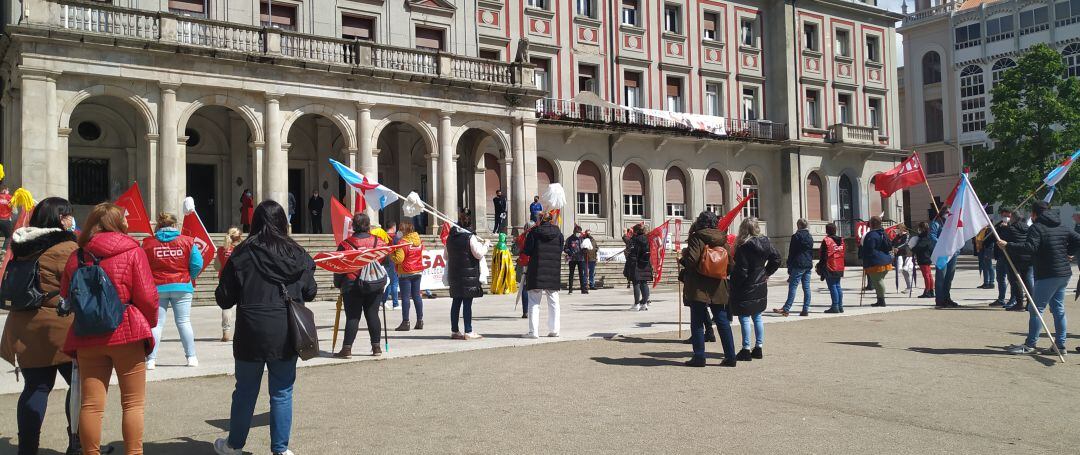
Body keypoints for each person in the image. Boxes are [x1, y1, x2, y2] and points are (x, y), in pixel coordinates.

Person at [213, 200, 316, 455]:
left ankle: (234, 445)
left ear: (255, 222)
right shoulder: (297, 253)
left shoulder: (242, 253)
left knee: (245, 390)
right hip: (286, 328)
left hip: (251, 328)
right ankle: (280, 449)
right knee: (282, 391)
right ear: (283, 222)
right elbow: (310, 291)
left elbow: (224, 298)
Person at [59, 203, 158, 455]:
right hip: (126, 329)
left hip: (88, 333)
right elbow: (147, 296)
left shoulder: (77, 255)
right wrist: (148, 321)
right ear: (119, 223)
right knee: (133, 404)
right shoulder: (133, 250)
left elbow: (65, 295)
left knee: (91, 405)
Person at [1, 197, 80, 454]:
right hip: (61, 327)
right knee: (79, 386)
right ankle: (77, 442)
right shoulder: (67, 247)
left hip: (24, 326)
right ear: (60, 218)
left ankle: (27, 448)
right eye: (68, 214)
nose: (71, 219)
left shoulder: (21, 244)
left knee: (35, 388)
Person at [1001, 201, 1080, 355]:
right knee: (1058, 309)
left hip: (1047, 273)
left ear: (1034, 214)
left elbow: (1030, 248)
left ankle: (1030, 344)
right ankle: (1060, 345)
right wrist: (1069, 253)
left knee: (1036, 309)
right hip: (1063, 273)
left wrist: (1008, 245)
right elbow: (1078, 239)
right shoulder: (1061, 225)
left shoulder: (1036, 227)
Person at [142, 212, 203, 370]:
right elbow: (197, 263)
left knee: (156, 325)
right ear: (175, 225)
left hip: (157, 287)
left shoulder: (148, 243)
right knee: (184, 322)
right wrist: (190, 276)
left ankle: (151, 359)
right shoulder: (188, 242)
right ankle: (192, 357)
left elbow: (142, 265)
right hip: (182, 286)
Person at [679, 211, 737, 368]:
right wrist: (718, 272)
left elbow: (691, 261)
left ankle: (699, 357)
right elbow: (731, 265)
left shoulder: (696, 236)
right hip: (718, 285)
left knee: (697, 321)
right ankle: (731, 356)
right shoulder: (722, 238)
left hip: (699, 286)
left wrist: (683, 257)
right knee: (722, 321)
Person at [332, 213, 388, 358]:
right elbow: (385, 262)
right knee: (373, 315)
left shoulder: (345, 244)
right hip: (374, 283)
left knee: (353, 317)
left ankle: (347, 349)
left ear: (353, 226)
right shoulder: (379, 242)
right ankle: (376, 348)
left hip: (352, 283)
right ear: (368, 225)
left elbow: (339, 267)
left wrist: (338, 283)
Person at [729, 217, 780, 361]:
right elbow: (776, 259)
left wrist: (733, 284)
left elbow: (742, 270)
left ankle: (745, 348)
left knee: (744, 317)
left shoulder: (743, 246)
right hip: (759, 282)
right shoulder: (766, 241)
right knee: (757, 316)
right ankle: (759, 347)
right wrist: (766, 272)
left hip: (746, 284)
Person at [522, 212, 564, 338]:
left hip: (536, 270)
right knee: (554, 301)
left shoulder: (534, 232)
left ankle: (533, 331)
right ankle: (554, 329)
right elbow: (560, 249)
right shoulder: (558, 233)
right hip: (553, 270)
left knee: (534, 301)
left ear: (540, 219)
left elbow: (527, 250)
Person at [446, 225, 489, 340]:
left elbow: (446, 256)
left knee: (456, 302)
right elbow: (478, 253)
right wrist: (486, 245)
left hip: (454, 273)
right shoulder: (470, 237)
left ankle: (455, 330)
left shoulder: (449, 238)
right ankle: (468, 330)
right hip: (468, 274)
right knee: (467, 303)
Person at [390, 221, 426, 331]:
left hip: (405, 272)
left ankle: (406, 322)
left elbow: (399, 259)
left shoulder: (402, 242)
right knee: (417, 296)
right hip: (417, 271)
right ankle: (420, 321)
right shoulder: (418, 240)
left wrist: (392, 252)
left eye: (400, 230)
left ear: (404, 230)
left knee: (405, 297)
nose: (398, 232)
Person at [776, 218, 813, 317]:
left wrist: (789, 266)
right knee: (806, 287)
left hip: (798, 264)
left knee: (793, 286)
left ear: (799, 226)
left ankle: (786, 308)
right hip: (808, 264)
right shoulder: (810, 237)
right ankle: (805, 309)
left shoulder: (796, 236)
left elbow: (792, 252)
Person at [1003, 209, 1033, 312]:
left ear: (1013, 218)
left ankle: (1019, 303)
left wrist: (1002, 228)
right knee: (1028, 280)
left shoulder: (1010, 229)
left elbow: (1003, 241)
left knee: (1015, 281)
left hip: (1015, 257)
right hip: (1028, 257)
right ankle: (1030, 303)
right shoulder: (1028, 228)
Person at [859, 216, 893, 308]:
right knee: (877, 281)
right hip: (885, 260)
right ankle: (879, 299)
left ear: (872, 224)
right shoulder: (883, 233)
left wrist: (864, 258)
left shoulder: (871, 235)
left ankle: (881, 300)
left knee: (878, 281)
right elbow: (889, 246)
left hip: (876, 261)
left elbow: (869, 249)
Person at [217, 227, 244, 342]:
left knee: (226, 306)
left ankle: (226, 332)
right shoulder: (242, 249)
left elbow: (216, 266)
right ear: (239, 237)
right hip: (241, 279)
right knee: (242, 305)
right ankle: (243, 331)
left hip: (225, 280)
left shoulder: (221, 250)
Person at [931, 206, 959, 307]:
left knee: (949, 277)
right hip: (942, 253)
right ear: (942, 212)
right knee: (941, 277)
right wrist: (942, 244)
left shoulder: (953, 224)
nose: (949, 214)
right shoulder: (936, 223)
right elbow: (932, 236)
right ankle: (940, 299)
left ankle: (947, 298)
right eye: (947, 212)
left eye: (950, 212)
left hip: (952, 253)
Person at [818, 222, 846, 313]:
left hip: (830, 265)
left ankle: (835, 306)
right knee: (838, 285)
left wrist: (820, 267)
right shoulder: (841, 240)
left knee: (832, 286)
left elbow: (823, 256)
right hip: (839, 265)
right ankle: (840, 306)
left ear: (827, 230)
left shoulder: (827, 240)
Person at [626, 224, 653, 311]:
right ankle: (644, 303)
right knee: (644, 283)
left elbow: (633, 253)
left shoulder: (636, 240)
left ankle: (637, 304)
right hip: (645, 264)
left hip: (637, 264)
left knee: (636, 284)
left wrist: (629, 257)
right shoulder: (647, 239)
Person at [989, 208, 1012, 306]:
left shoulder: (1013, 225)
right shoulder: (998, 225)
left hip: (1010, 256)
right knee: (1000, 278)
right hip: (1000, 256)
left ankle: (1013, 298)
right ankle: (1001, 298)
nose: (1006, 217)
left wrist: (1006, 228)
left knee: (1012, 279)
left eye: (1008, 216)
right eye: (1005, 215)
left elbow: (1011, 237)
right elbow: (994, 237)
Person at [910, 221, 936, 299]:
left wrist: (913, 249)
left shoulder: (924, 238)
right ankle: (931, 290)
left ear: (922, 228)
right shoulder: (924, 236)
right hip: (926, 257)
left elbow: (920, 247)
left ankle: (927, 291)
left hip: (924, 258)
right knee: (929, 275)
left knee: (926, 275)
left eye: (919, 228)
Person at [515, 222, 533, 318]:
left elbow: (515, 251)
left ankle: (525, 311)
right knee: (531, 288)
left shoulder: (521, 237)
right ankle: (530, 310)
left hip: (522, 263)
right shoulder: (534, 236)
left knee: (524, 287)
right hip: (532, 263)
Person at [564, 225, 588, 294]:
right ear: (574, 232)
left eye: (579, 232)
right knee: (571, 274)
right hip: (572, 259)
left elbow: (584, 247)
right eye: (577, 232)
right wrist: (569, 252)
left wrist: (585, 250)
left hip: (580, 258)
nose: (578, 233)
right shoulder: (569, 239)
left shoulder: (582, 238)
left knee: (581, 274)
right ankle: (570, 289)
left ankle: (583, 289)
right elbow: (565, 248)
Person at [891, 224, 914, 294]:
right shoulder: (898, 236)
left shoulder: (906, 235)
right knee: (903, 271)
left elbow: (905, 243)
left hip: (907, 254)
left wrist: (897, 248)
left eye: (897, 229)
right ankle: (909, 287)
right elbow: (892, 243)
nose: (896, 230)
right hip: (900, 255)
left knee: (905, 270)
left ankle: (910, 287)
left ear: (902, 229)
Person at [975, 225, 996, 289]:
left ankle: (991, 283)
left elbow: (990, 242)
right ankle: (986, 282)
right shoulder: (980, 230)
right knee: (984, 267)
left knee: (989, 266)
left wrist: (988, 252)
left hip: (986, 250)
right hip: (981, 250)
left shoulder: (989, 230)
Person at [0, 185, 12, 250]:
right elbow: (15, 211)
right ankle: (4, 250)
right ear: (4, 190)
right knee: (8, 237)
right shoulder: (9, 197)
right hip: (6, 220)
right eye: (7, 190)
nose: (8, 191)